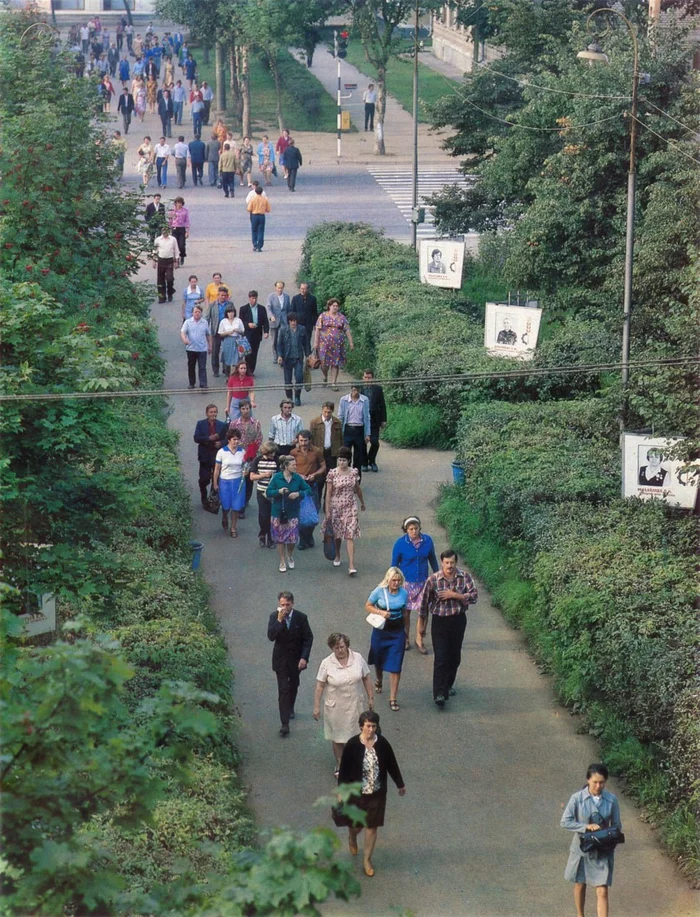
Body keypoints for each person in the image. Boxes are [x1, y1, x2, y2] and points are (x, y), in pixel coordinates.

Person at [337, 710, 405, 877]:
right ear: (361, 726)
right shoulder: (352, 745)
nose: (371, 729)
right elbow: (344, 770)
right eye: (368, 726)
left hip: (377, 793)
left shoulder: (382, 744)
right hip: (356, 794)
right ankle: (352, 838)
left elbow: (392, 764)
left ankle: (367, 859)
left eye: (374, 726)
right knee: (356, 826)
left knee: (372, 827)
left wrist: (400, 784)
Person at [418, 549, 478, 707]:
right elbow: (423, 604)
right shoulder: (434, 580)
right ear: (442, 563)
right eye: (446, 563)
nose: (449, 566)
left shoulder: (464, 577)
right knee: (441, 657)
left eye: (452, 563)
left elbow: (474, 596)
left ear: (456, 563)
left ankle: (448, 684)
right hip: (440, 621)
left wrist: (456, 596)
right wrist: (421, 628)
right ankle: (439, 693)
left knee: (454, 657)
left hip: (458, 620)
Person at [561, 763, 622, 917]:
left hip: (602, 850)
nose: (598, 786)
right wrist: (585, 827)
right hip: (582, 849)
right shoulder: (577, 799)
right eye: (595, 782)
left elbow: (616, 825)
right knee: (580, 884)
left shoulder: (611, 800)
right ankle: (580, 915)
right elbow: (565, 821)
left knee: (602, 889)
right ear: (588, 780)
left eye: (601, 782)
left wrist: (606, 834)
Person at [314, 634, 373, 777]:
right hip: (336, 708)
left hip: (355, 706)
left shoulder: (357, 658)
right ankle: (340, 764)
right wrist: (316, 706)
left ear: (347, 645)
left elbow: (366, 677)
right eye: (336, 648)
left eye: (341, 647)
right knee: (338, 737)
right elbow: (320, 685)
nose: (340, 650)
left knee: (358, 736)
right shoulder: (326, 663)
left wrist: (371, 698)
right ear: (332, 648)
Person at [267, 591, 313, 736]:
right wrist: (279, 621)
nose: (285, 607)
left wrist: (304, 657)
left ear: (292, 604)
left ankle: (290, 706)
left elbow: (308, 638)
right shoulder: (274, 617)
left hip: (296, 659)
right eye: (282, 605)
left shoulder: (301, 618)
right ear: (278, 604)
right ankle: (284, 723)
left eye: (287, 604)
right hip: (280, 660)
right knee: (283, 689)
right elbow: (271, 636)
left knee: (293, 684)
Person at [391, 516, 438, 652]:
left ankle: (419, 639)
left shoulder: (427, 541)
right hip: (406, 583)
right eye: (411, 529)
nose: (414, 531)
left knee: (423, 612)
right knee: (405, 612)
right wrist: (392, 582)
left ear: (420, 528)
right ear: (406, 530)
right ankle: (405, 638)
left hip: (423, 582)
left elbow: (432, 559)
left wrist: (437, 576)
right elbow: (394, 565)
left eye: (416, 528)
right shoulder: (400, 544)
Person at [365, 567, 408, 711]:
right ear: (388, 580)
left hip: (397, 632)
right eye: (393, 580)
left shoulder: (404, 594)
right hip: (381, 631)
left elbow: (405, 613)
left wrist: (407, 633)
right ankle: (379, 679)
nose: (396, 583)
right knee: (379, 658)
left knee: (396, 665)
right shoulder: (379, 591)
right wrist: (380, 612)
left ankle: (393, 698)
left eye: (398, 580)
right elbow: (368, 605)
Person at [266, 456, 312, 573]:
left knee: (292, 539)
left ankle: (289, 554)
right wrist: (279, 492)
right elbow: (268, 492)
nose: (295, 467)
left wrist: (298, 494)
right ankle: (282, 560)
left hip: (293, 512)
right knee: (279, 538)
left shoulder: (297, 478)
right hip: (278, 512)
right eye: (293, 465)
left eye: (295, 465)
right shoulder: (277, 477)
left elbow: (308, 490)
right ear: (286, 466)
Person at [325, 446, 365, 575]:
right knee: (337, 535)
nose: (341, 463)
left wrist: (362, 502)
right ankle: (337, 554)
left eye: (344, 460)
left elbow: (357, 489)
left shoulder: (354, 472)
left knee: (349, 535)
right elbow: (328, 493)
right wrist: (327, 510)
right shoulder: (332, 473)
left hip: (350, 506)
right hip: (336, 507)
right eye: (339, 460)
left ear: (349, 461)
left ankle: (351, 565)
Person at [290, 430, 326, 551]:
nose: (303, 443)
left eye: (305, 440)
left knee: (313, 513)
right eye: (301, 441)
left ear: (310, 440)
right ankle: (303, 539)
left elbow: (323, 466)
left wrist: (315, 474)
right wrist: (297, 475)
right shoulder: (293, 452)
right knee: (300, 513)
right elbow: (289, 468)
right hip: (298, 486)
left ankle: (309, 535)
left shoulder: (317, 451)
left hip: (312, 485)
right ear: (298, 440)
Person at [212, 428, 246, 537]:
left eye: (238, 439)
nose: (236, 442)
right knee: (226, 505)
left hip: (238, 482)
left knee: (236, 507)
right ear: (229, 440)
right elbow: (217, 469)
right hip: (225, 481)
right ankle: (224, 516)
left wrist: (246, 471)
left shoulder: (242, 452)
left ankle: (233, 527)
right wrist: (215, 483)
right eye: (234, 439)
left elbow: (245, 466)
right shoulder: (222, 452)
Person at [314, 298, 354, 390]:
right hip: (324, 344)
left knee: (335, 364)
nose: (335, 307)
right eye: (333, 306)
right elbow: (317, 329)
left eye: (337, 306)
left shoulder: (342, 317)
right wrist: (316, 342)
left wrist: (351, 342)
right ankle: (325, 376)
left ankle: (333, 383)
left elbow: (347, 330)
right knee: (324, 364)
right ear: (329, 306)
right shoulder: (323, 316)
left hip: (337, 345)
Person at [229, 399, 262, 512]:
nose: (245, 411)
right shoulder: (234, 424)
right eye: (243, 409)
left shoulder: (256, 423)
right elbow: (230, 438)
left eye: (247, 408)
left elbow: (259, 438)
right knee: (239, 479)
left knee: (249, 480)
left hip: (251, 456)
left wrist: (252, 450)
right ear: (240, 410)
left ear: (250, 409)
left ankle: (246, 500)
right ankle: (239, 503)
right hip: (238, 455)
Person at [193, 404, 227, 508]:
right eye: (211, 412)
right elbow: (196, 438)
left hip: (217, 455)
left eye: (215, 412)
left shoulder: (222, 425)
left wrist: (221, 443)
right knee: (204, 479)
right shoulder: (200, 424)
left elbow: (227, 438)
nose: (213, 414)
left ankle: (212, 500)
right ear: (207, 413)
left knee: (216, 479)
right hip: (205, 455)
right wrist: (209, 438)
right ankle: (203, 497)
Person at [249, 441, 280, 548]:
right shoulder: (257, 460)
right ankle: (263, 534)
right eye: (271, 453)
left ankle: (271, 538)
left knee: (272, 516)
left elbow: (281, 474)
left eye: (274, 453)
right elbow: (252, 477)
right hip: (261, 491)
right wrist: (264, 475)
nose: (273, 455)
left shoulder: (277, 460)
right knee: (263, 515)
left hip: (273, 492)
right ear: (265, 452)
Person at [277, 313, 310, 406]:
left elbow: (306, 343)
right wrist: (280, 356)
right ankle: (289, 399)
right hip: (287, 359)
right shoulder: (283, 330)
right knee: (287, 381)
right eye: (292, 321)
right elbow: (279, 344)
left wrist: (308, 355)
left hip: (298, 358)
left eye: (295, 321)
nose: (293, 323)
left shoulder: (302, 329)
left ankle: (297, 397)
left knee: (299, 378)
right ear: (289, 321)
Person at [338, 384, 371, 477]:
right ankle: (344, 479)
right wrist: (339, 431)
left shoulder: (364, 400)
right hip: (348, 429)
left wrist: (367, 434)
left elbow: (367, 417)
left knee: (358, 459)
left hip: (359, 430)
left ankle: (356, 481)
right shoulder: (344, 400)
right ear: (351, 389)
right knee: (345, 455)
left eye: (357, 390)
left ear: (360, 390)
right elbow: (340, 417)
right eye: (353, 389)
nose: (355, 392)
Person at [361, 369, 387, 473]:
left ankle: (372, 460)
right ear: (363, 378)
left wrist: (384, 419)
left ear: (373, 378)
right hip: (362, 420)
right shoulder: (359, 390)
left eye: (369, 378)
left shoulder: (378, 389)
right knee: (362, 443)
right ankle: (364, 463)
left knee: (375, 442)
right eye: (366, 377)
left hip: (374, 419)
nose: (367, 380)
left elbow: (382, 405)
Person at [180, 304, 211, 389]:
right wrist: (184, 340)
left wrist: (210, 346)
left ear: (201, 313)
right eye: (195, 312)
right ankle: (192, 383)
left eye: (199, 312)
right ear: (192, 313)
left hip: (202, 349)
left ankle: (203, 383)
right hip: (191, 348)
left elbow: (208, 334)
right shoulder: (188, 322)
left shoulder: (205, 322)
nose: (197, 313)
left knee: (202, 367)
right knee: (191, 366)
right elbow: (182, 332)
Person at [310, 401, 343, 480]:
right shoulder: (314, 422)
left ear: (332, 411)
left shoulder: (337, 422)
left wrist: (340, 451)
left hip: (332, 452)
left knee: (331, 476)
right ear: (322, 410)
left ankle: (328, 492)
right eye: (325, 412)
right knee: (320, 477)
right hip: (319, 452)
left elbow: (341, 438)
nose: (327, 414)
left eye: (329, 412)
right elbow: (311, 438)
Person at [239, 290, 269, 373]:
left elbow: (265, 321)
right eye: (252, 298)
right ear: (249, 298)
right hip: (247, 335)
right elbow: (241, 322)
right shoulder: (243, 309)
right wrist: (248, 324)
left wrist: (266, 331)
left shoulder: (262, 308)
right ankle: (245, 370)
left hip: (257, 334)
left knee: (254, 354)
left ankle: (251, 370)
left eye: (255, 298)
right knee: (247, 354)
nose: (254, 300)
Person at [208, 285, 234, 378]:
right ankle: (215, 370)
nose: (223, 297)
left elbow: (233, 316)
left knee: (226, 351)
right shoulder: (212, 305)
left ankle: (225, 368)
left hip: (227, 332)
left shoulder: (230, 304)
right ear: (218, 295)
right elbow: (208, 317)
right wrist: (206, 331)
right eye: (221, 295)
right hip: (216, 331)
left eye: (225, 295)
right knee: (215, 352)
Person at [218, 303, 246, 378]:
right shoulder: (223, 321)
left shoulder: (238, 320)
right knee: (227, 359)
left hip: (237, 340)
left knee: (236, 359)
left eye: (232, 312)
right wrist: (228, 332)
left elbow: (243, 331)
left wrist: (238, 330)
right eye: (229, 312)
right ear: (227, 313)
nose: (231, 314)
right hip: (227, 341)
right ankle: (227, 375)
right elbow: (220, 333)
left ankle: (233, 376)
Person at [152, 224, 178, 303]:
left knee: (169, 278)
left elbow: (176, 250)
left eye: (166, 230)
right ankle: (161, 297)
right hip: (161, 260)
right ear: (161, 231)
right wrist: (154, 261)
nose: (165, 232)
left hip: (169, 261)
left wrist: (176, 261)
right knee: (160, 280)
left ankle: (170, 292)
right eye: (163, 230)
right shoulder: (158, 240)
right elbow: (155, 251)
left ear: (169, 231)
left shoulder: (173, 239)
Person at [267, 280, 290, 364]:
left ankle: (282, 356)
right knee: (274, 341)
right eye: (278, 288)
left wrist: (289, 320)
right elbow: (268, 308)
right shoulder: (271, 296)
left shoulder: (287, 297)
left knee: (283, 339)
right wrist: (271, 316)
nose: (280, 289)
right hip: (274, 321)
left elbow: (288, 309)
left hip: (284, 321)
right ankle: (275, 356)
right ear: (275, 288)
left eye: (281, 288)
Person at [247, 186, 272, 253]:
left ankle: (255, 244)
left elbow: (249, 209)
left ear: (255, 192)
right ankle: (259, 246)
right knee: (261, 230)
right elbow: (268, 210)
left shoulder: (253, 199)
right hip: (261, 216)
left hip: (254, 215)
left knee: (254, 230)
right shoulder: (265, 199)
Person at [169, 196, 190, 266]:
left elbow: (187, 221)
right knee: (175, 245)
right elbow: (170, 220)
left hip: (181, 229)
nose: (178, 204)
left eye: (180, 203)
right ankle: (176, 260)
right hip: (174, 229)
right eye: (177, 203)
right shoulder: (172, 211)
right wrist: (169, 229)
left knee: (181, 245)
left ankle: (182, 255)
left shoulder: (185, 211)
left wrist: (187, 231)